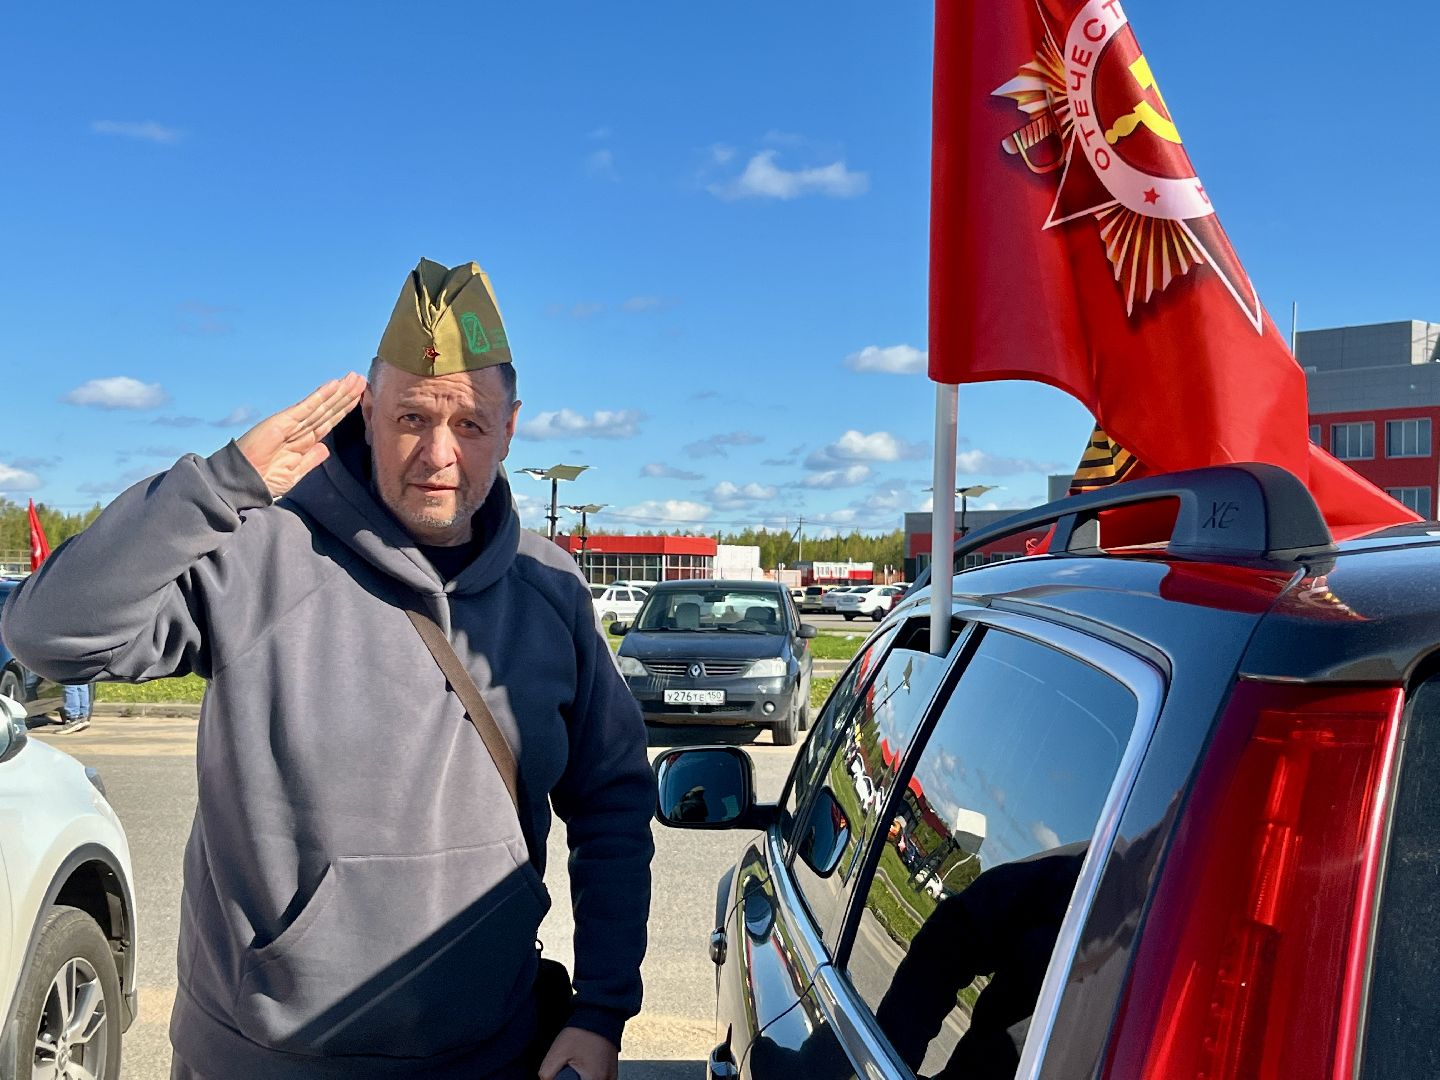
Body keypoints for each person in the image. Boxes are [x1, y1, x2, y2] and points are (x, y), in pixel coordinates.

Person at [2, 259, 655, 1080]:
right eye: (412, 417)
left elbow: (614, 808)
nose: (438, 454)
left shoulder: (550, 590)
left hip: (494, 1051)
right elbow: (47, 634)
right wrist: (223, 483)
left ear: (513, 427)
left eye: (472, 425)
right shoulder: (259, 551)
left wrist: (601, 1012)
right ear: (369, 409)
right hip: (262, 1059)